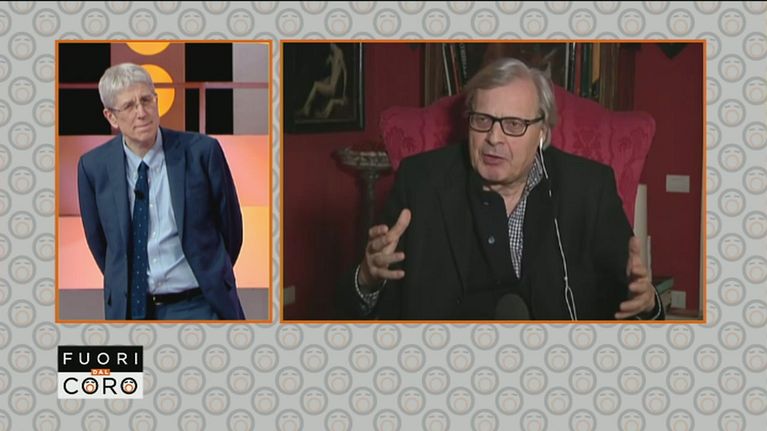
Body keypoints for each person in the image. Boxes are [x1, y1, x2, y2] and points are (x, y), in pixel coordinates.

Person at [337, 58, 663, 321]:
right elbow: (360, 310)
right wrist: (367, 279)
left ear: (541, 132)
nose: (494, 138)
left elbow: (634, 300)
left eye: (513, 124)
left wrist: (647, 303)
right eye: (482, 120)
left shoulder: (589, 188)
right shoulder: (420, 181)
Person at [77, 63, 245, 320]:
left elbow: (231, 229)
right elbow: (101, 244)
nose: (142, 113)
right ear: (111, 117)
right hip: (132, 309)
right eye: (129, 106)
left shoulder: (202, 152)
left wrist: (213, 273)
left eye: (146, 100)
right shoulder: (93, 167)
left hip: (199, 304)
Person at [296, 43, 348, 119]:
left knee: (316, 85)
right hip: (332, 87)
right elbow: (342, 71)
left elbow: (344, 72)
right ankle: (312, 109)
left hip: (332, 89)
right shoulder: (334, 55)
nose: (329, 45)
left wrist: (343, 93)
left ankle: (306, 108)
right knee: (322, 81)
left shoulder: (338, 53)